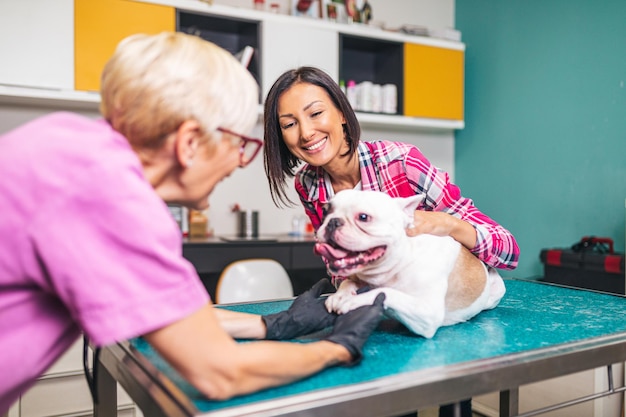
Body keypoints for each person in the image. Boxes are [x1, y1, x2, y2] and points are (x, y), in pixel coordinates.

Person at [0, 34, 387, 414]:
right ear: (189, 143)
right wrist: (339, 346)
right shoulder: (111, 198)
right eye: (238, 143)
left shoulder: (69, 144)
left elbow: (181, 318)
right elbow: (219, 372)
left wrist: (276, 323)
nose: (239, 161)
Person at [262, 66, 520, 417]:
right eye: (289, 123)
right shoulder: (308, 182)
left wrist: (445, 223)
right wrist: (346, 282)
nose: (306, 132)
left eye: (316, 113)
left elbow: (508, 248)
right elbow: (340, 262)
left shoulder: (401, 163)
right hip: (383, 324)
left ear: (341, 112)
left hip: (449, 315)